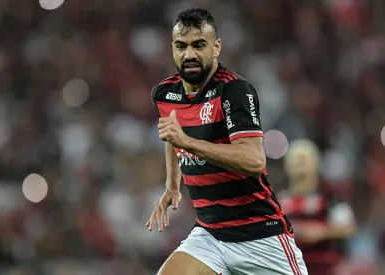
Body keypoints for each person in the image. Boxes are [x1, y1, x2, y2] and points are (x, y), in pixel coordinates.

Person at [146, 8, 308, 275]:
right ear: (172, 49)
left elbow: (254, 160)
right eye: (181, 46)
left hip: (259, 235)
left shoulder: (234, 91)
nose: (189, 55)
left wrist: (187, 141)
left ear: (216, 47)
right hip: (211, 234)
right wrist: (172, 185)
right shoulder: (165, 93)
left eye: (199, 45)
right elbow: (170, 133)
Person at [278, 139, 356, 275]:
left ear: (316, 163)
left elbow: (348, 228)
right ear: (287, 165)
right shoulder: (280, 202)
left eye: (305, 160)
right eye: (296, 160)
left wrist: (322, 232)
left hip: (324, 269)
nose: (300, 165)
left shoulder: (330, 199)